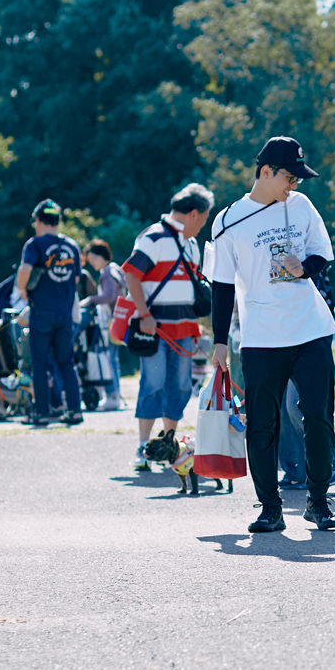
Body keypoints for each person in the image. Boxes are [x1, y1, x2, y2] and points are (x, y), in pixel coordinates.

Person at [208, 137, 335, 534]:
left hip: (311, 329)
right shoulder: (227, 220)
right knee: (263, 424)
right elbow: (221, 285)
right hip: (261, 336)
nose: (294, 184)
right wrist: (219, 341)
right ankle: (270, 507)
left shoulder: (300, 206)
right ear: (265, 172)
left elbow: (322, 254)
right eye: (289, 176)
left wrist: (304, 267)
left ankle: (319, 502)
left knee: (318, 417)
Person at [123, 184, 213, 469]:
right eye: (204, 219)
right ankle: (142, 448)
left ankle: (166, 446)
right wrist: (143, 313)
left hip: (185, 328)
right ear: (194, 214)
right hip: (155, 327)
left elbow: (191, 286)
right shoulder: (153, 237)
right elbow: (131, 275)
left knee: (181, 386)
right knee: (153, 384)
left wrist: (198, 328)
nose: (203, 225)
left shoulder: (191, 244)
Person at [14, 199, 85, 427]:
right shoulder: (72, 246)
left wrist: (22, 290)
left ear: (38, 220)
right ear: (58, 220)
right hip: (65, 313)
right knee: (67, 362)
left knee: (39, 364)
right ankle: (75, 411)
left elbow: (25, 270)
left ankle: (42, 413)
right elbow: (75, 279)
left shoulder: (34, 244)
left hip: (42, 312)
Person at [80, 239, 126, 412]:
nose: (91, 262)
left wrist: (90, 300)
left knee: (110, 358)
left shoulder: (107, 273)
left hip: (111, 321)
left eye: (93, 258)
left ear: (101, 256)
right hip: (120, 320)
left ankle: (113, 395)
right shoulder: (116, 269)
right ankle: (114, 394)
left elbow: (109, 295)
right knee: (114, 358)